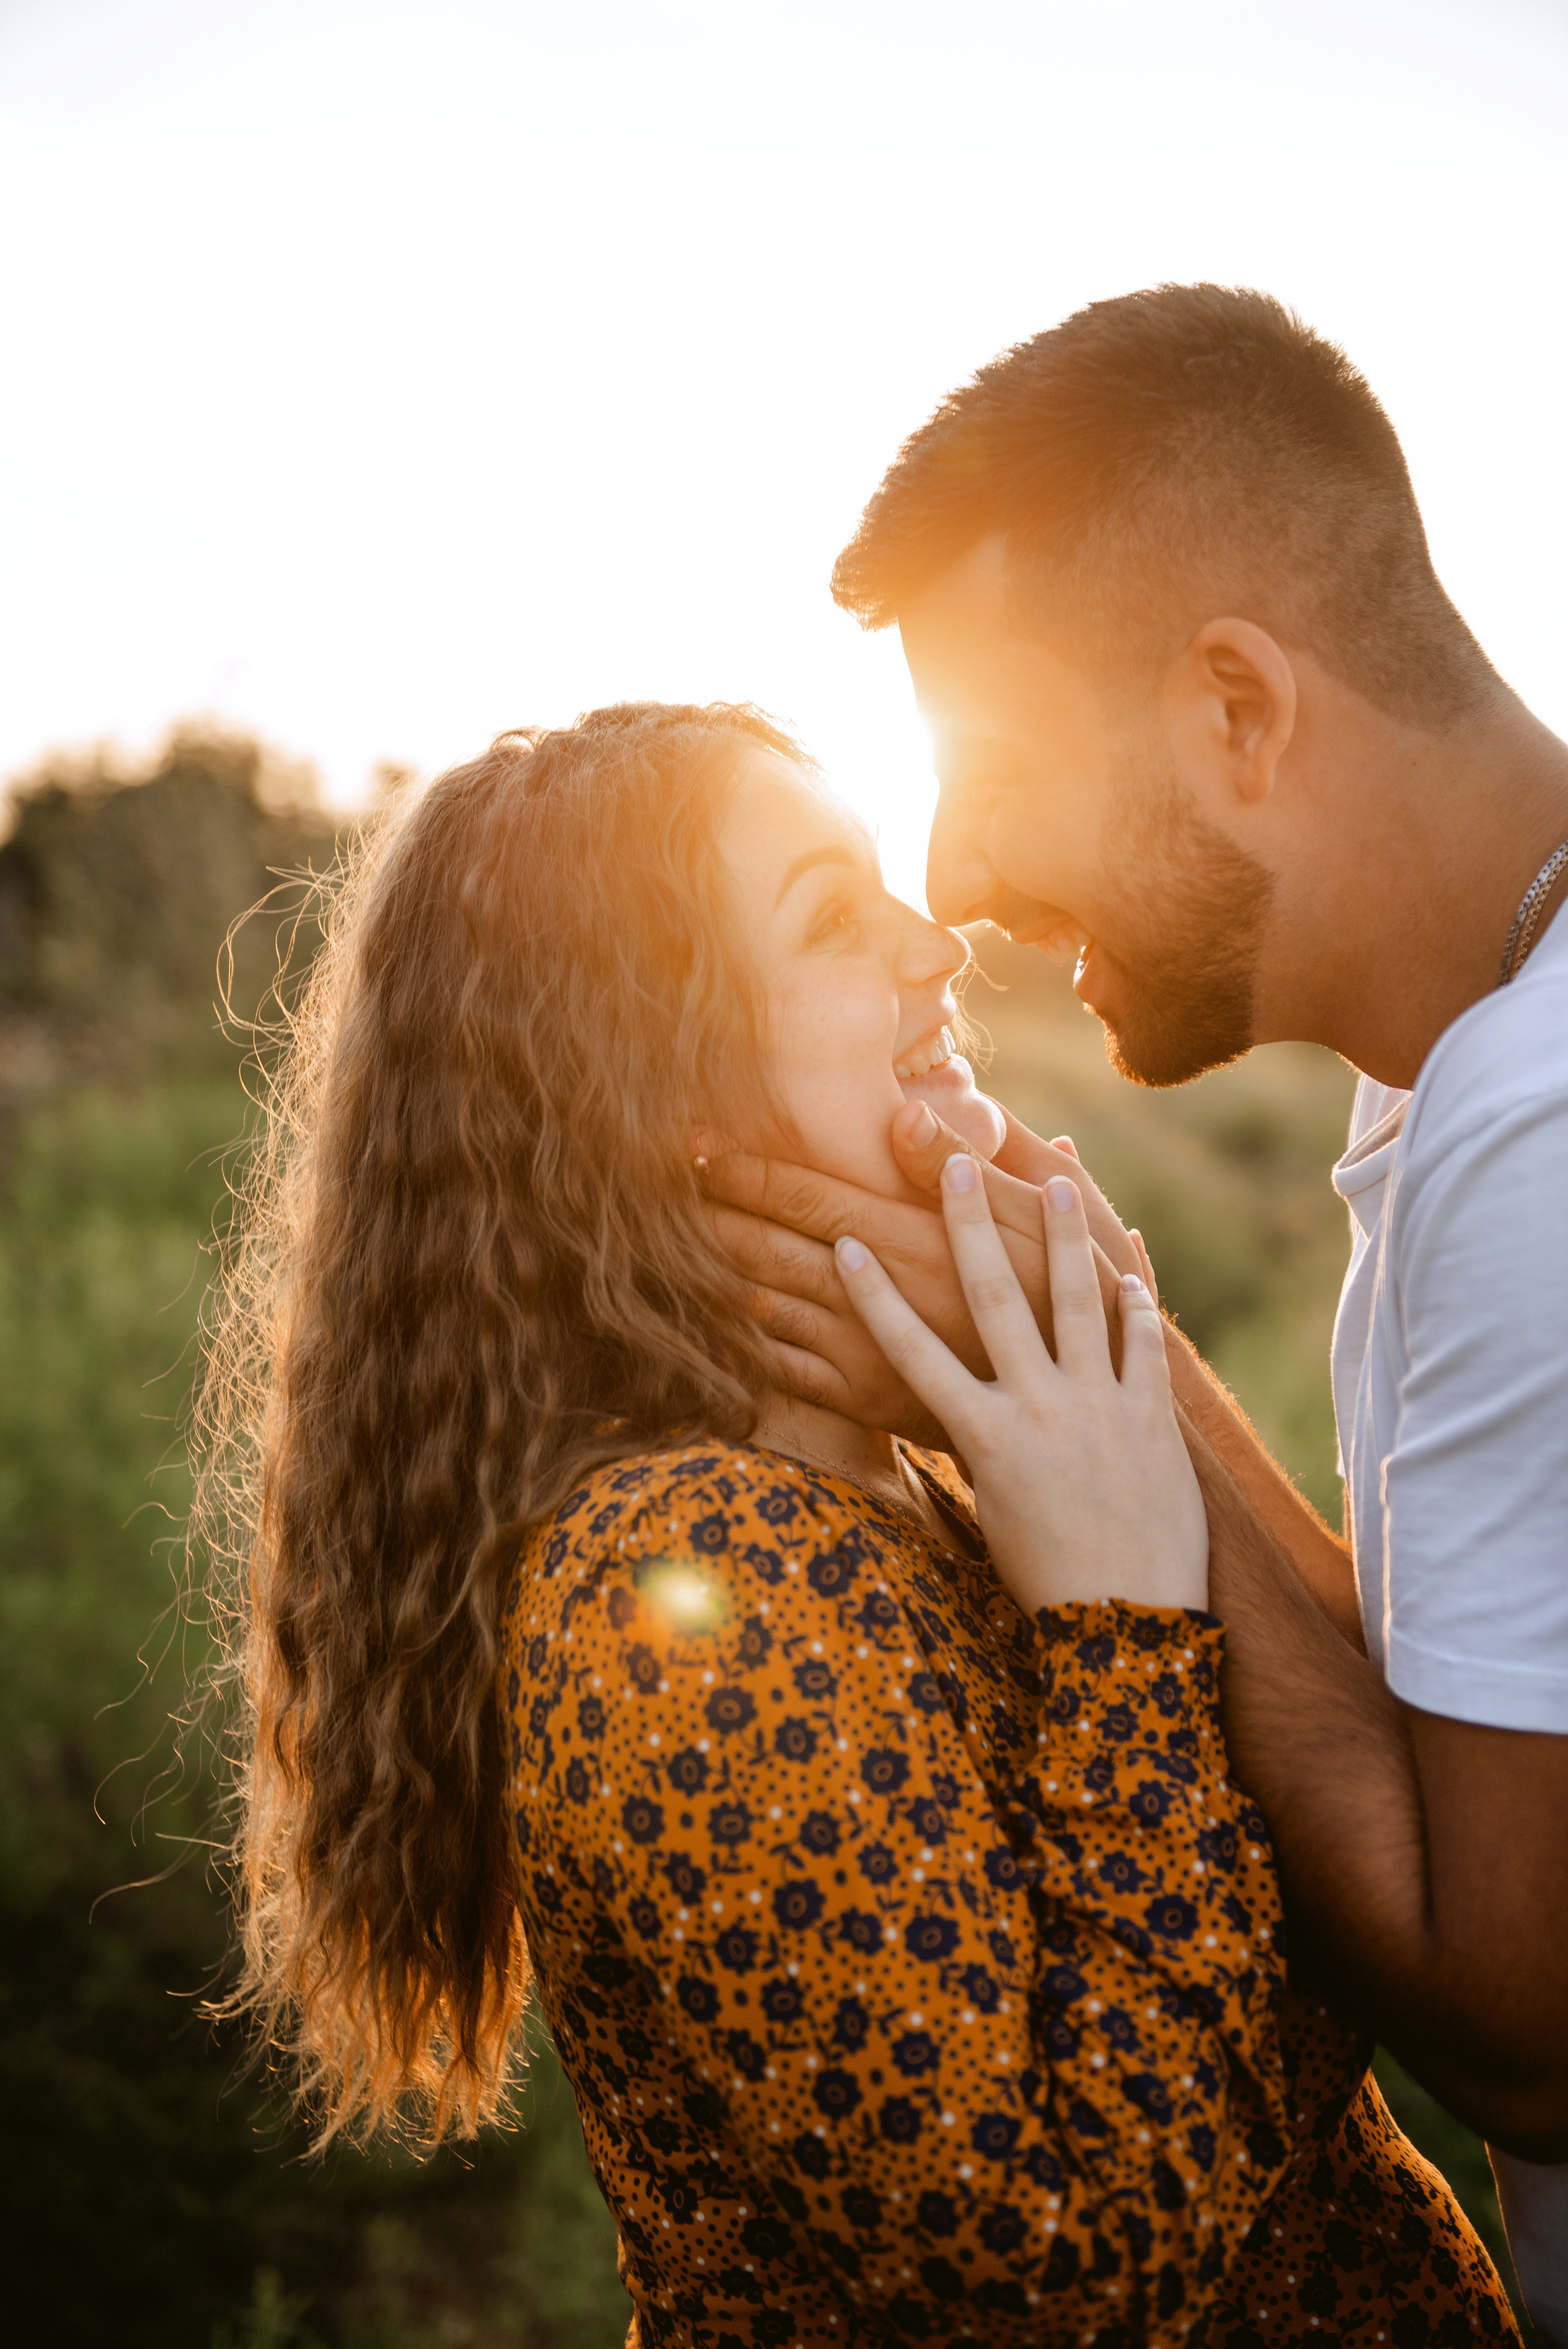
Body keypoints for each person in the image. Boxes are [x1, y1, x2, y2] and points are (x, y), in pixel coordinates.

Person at [195, 699, 1515, 2345]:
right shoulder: (681, 1593)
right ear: (641, 1082)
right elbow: (1071, 2278)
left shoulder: (930, 1483)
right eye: (831, 919)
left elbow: (1376, 1784)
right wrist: (1123, 1625)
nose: (935, 942)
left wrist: (1111, 1346)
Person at [702, 284, 1568, 2342]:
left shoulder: (1539, 1126)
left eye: (995, 766)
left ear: (1240, 711)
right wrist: (1104, 1330)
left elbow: (1528, 2028)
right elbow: (1463, 1735)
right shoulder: (1464, 1075)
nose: (951, 879)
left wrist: (1086, 1375)